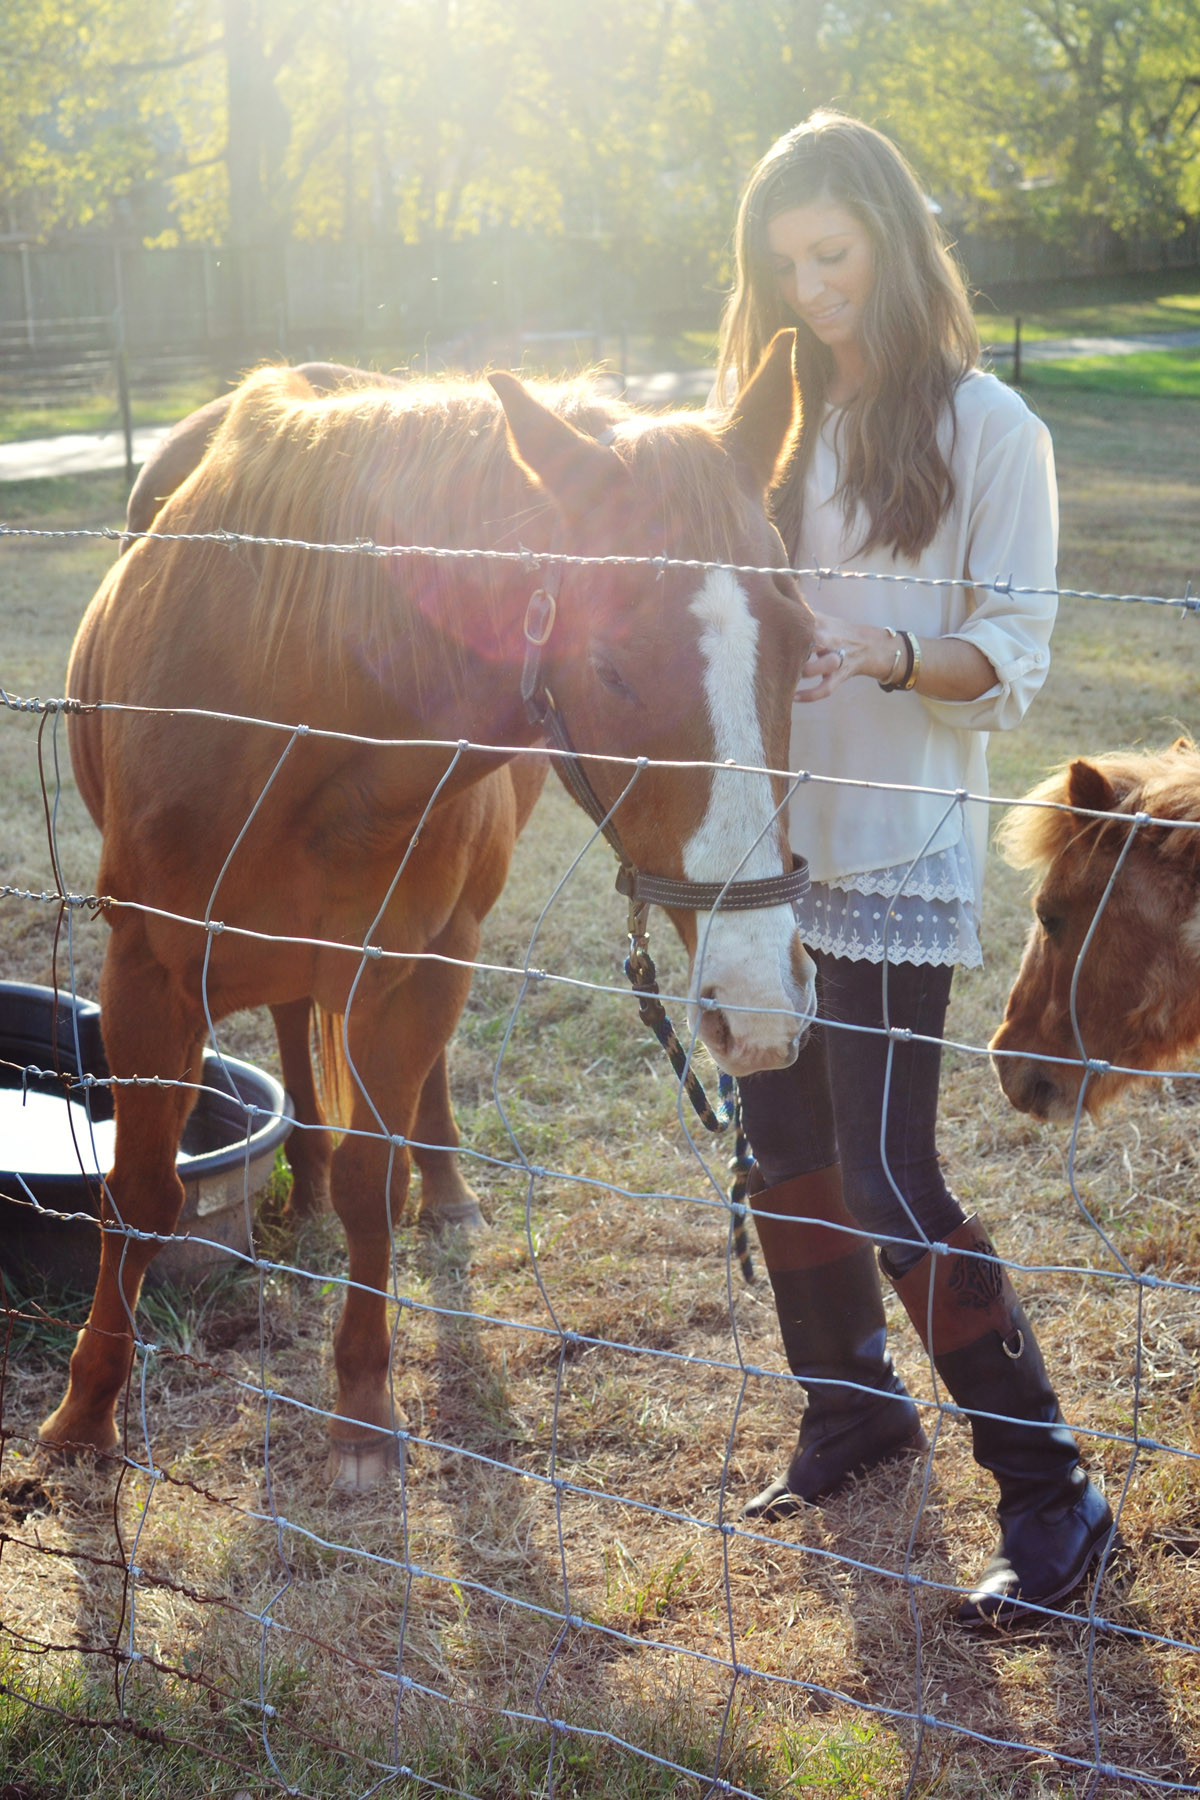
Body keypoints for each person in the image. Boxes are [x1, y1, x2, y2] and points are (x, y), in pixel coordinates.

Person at [713, 110, 1113, 1626]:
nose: (811, 287)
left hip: (893, 846)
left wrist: (885, 649)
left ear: (892, 235)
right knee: (785, 1157)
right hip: (754, 849)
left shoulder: (990, 431)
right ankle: (851, 1410)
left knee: (887, 1177)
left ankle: (1051, 1484)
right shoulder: (771, 425)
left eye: (835, 251)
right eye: (784, 263)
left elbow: (1011, 662)